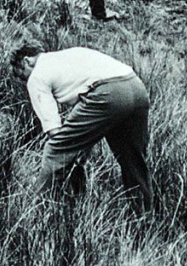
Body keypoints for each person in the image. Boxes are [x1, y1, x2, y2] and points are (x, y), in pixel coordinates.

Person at [9, 44, 152, 212]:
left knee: (55, 150)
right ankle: (144, 217)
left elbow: (55, 133)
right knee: (133, 160)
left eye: (22, 75)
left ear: (27, 61)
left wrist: (69, 153)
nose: (25, 80)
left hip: (108, 94)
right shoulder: (71, 54)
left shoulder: (37, 75)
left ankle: (38, 213)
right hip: (136, 86)